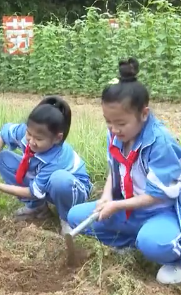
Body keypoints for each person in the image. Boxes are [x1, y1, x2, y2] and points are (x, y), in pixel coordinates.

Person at [67, 58, 181, 285]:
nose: (113, 129)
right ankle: (131, 241)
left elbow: (158, 195)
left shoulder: (160, 143)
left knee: (154, 243)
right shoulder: (117, 134)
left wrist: (117, 205)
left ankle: (173, 258)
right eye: (108, 122)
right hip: (130, 209)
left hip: (161, 211)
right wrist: (107, 196)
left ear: (144, 114)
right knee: (75, 217)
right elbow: (115, 168)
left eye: (120, 123)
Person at [0, 96, 92, 234]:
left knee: (59, 180)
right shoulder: (29, 132)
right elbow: (2, 135)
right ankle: (37, 208)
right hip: (45, 182)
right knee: (3, 159)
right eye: (29, 134)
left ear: (57, 138)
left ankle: (68, 218)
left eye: (38, 139)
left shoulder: (57, 158)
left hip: (72, 189)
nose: (31, 141)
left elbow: (32, 192)